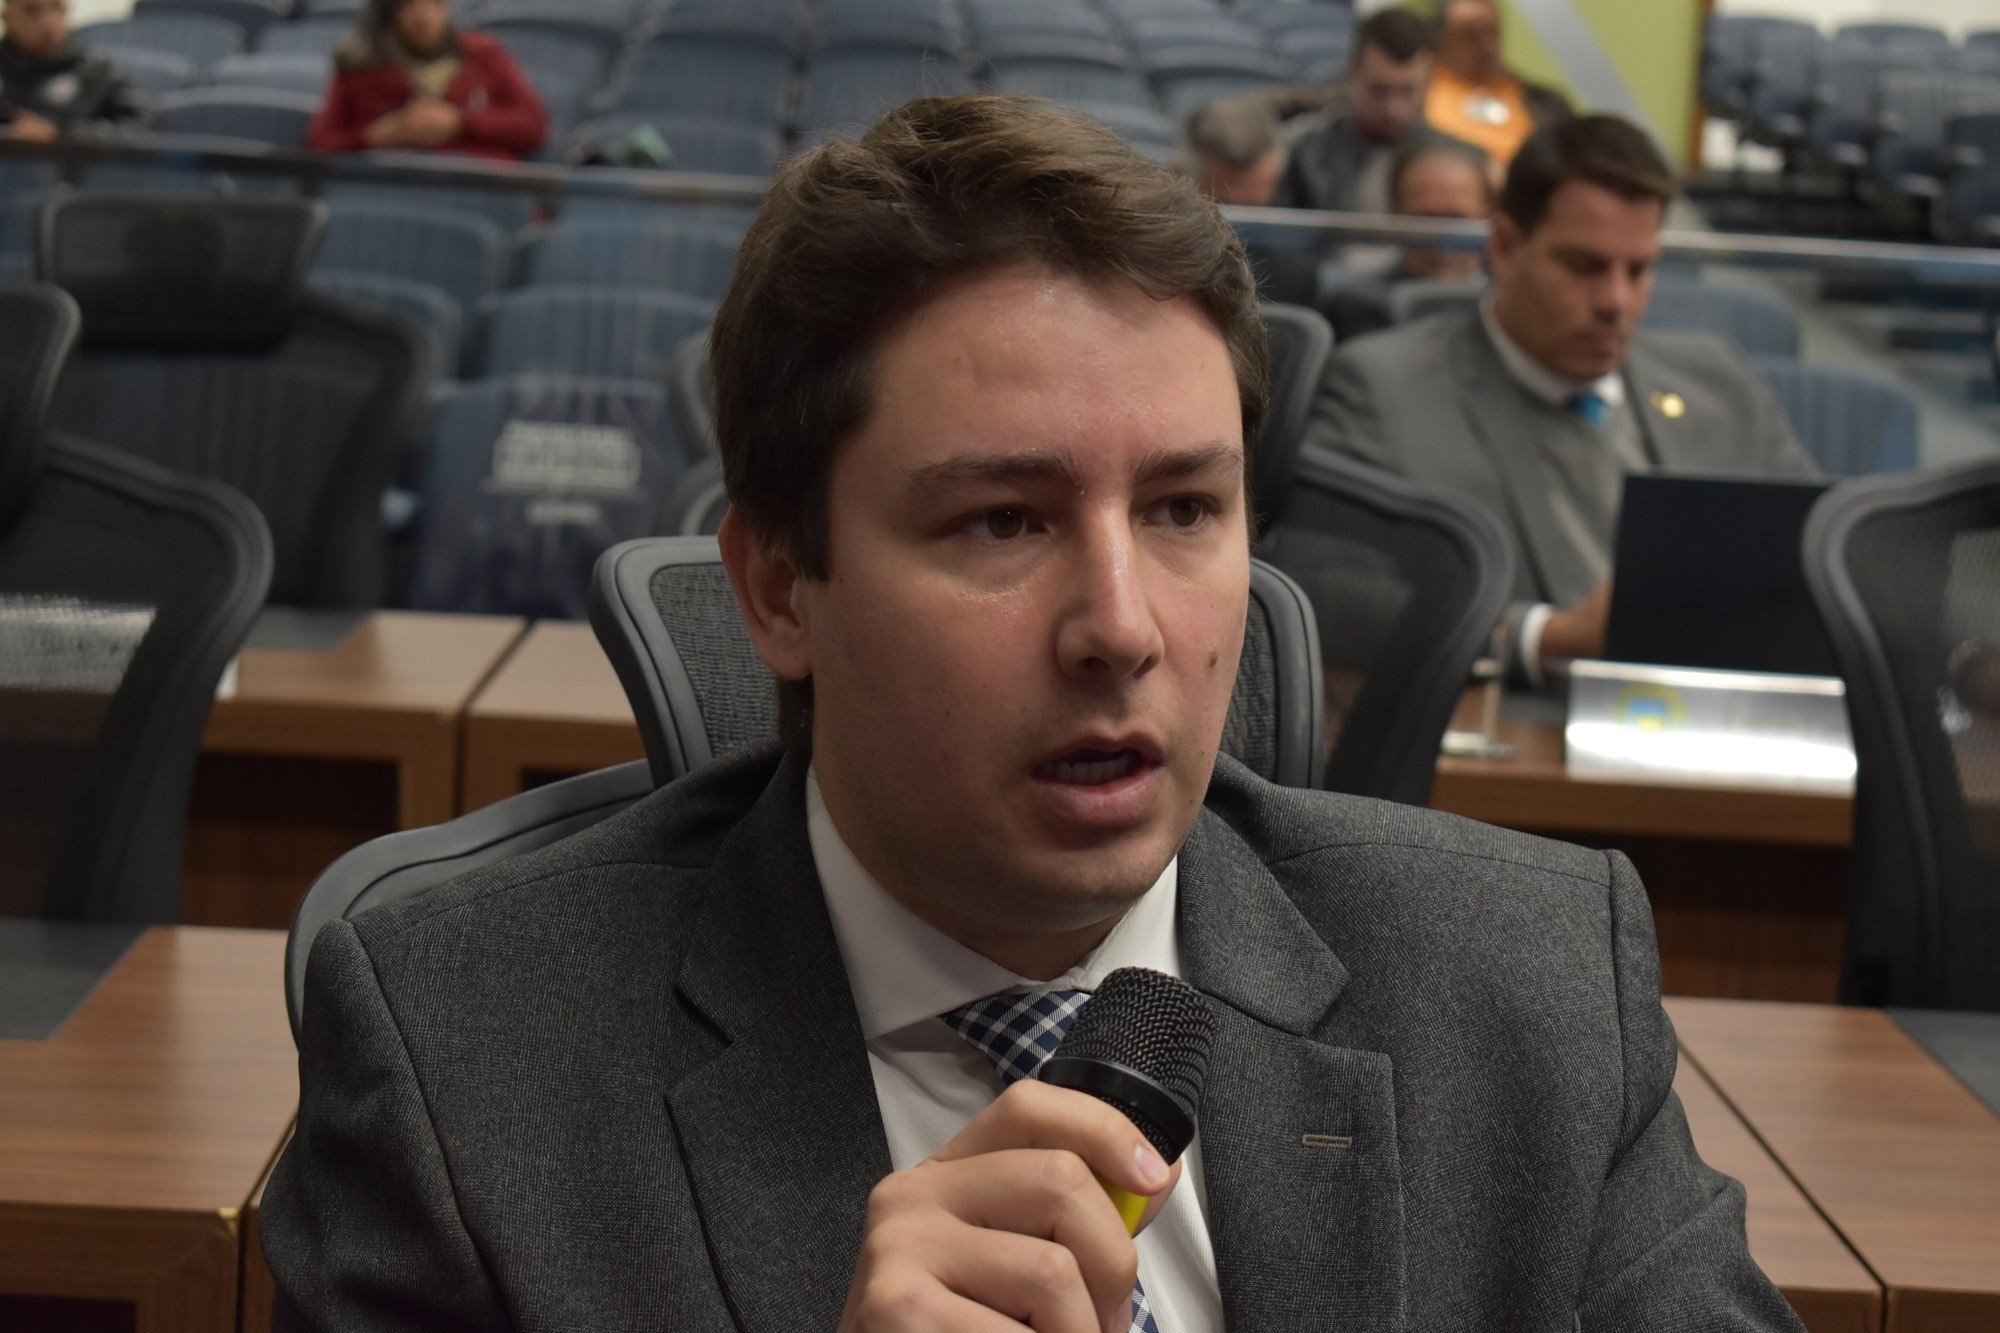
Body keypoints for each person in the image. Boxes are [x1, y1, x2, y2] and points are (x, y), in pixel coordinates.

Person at [262, 94, 1805, 1333]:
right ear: (781, 588)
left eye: (1185, 508)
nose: (1122, 626)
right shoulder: (461, 1062)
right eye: (1003, 521)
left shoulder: (1532, 992)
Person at [1305, 114, 1814, 681]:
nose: (1615, 301)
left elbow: (1818, 561)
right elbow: (1324, 587)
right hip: (1518, 723)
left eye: (1638, 270)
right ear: (1504, 247)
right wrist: (1536, 638)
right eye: (1585, 267)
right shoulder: (1383, 389)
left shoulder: (1721, 382)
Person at [1272, 7, 1470, 216]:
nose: (1392, 110)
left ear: (1429, 79)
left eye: (1407, 91)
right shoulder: (1307, 155)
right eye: (1379, 90)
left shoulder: (1463, 165)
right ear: (1353, 71)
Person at [307, 0, 545, 162]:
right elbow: (320, 144)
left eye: (434, 3)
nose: (424, 16)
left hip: (477, 182)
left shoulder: (483, 53)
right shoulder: (358, 68)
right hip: (392, 189)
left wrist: (460, 122)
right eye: (410, 5)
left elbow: (532, 126)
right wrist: (376, 136)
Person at [1321, 138, 1492, 340]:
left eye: (1456, 219)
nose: (1440, 240)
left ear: (1488, 215)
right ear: (1396, 214)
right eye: (1424, 219)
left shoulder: (1511, 301)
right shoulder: (1358, 303)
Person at [1180, 94, 1321, 306]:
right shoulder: (1148, 260)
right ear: (1179, 174)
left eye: (1253, 205)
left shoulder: (1294, 275)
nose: (1237, 229)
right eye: (1222, 204)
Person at [1425, 0, 1573, 168]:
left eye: (1492, 32)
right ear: (1441, 41)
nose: (1486, 46)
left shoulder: (1545, 100)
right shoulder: (1419, 98)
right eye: (1470, 35)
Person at [0, 0, 145, 143]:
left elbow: (140, 129)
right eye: (32, 11)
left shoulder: (100, 73)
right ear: (7, 17)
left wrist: (61, 135)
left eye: (57, 7)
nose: (47, 20)